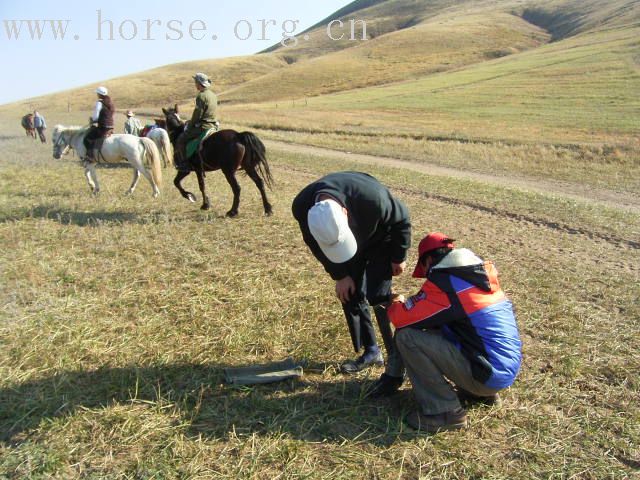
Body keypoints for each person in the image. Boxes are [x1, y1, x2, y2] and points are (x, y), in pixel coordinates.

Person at [386, 232, 522, 433]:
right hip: (501, 371)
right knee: (440, 328)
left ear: (429, 260)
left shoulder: (446, 282)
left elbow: (401, 318)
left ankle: (444, 412)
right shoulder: (475, 278)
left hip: (485, 374)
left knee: (408, 337)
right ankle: (479, 394)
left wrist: (396, 301)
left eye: (424, 269)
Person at [292, 172, 411, 389]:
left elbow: (401, 219)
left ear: (345, 213)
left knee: (379, 296)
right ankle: (371, 351)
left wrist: (399, 256)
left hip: (379, 239)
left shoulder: (373, 198)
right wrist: (340, 275)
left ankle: (397, 359)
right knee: (350, 293)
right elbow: (316, 245)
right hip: (348, 242)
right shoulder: (302, 207)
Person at [175, 73, 218, 165]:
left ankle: (184, 164)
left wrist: (190, 125)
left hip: (203, 126)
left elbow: (197, 115)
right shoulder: (213, 95)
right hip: (213, 125)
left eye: (195, 82)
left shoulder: (201, 96)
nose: (195, 84)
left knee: (181, 139)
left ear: (199, 83)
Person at [83, 86, 115, 162]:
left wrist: (93, 120)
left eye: (97, 93)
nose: (97, 95)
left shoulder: (99, 103)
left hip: (103, 126)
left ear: (99, 94)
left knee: (87, 138)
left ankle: (90, 156)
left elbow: (96, 116)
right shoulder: (110, 103)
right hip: (111, 126)